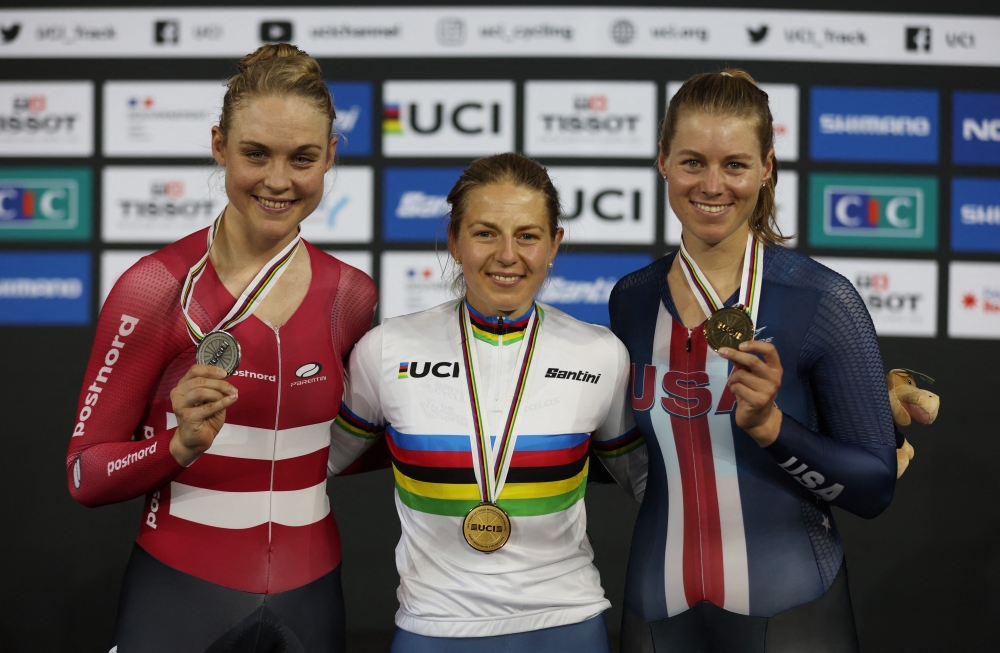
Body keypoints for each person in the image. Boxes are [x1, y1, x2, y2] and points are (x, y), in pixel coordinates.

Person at [65, 44, 376, 652]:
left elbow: (352, 445)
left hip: (312, 598)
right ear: (218, 146)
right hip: (179, 595)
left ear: (331, 156)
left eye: (303, 158)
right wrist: (174, 445)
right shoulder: (155, 289)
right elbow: (84, 473)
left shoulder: (351, 295)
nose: (278, 180)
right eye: (255, 154)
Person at [608, 70, 897, 652]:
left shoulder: (822, 301)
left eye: (735, 165)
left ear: (766, 168)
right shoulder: (632, 298)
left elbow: (873, 488)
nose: (712, 185)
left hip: (791, 609)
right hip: (655, 608)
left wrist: (773, 429)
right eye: (692, 162)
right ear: (662, 160)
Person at [328, 152, 647, 653]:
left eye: (527, 235)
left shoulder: (601, 354)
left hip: (567, 625)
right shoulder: (387, 349)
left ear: (553, 245)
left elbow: (649, 485)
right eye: (484, 233)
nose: (506, 254)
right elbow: (313, 465)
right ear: (454, 241)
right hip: (434, 628)